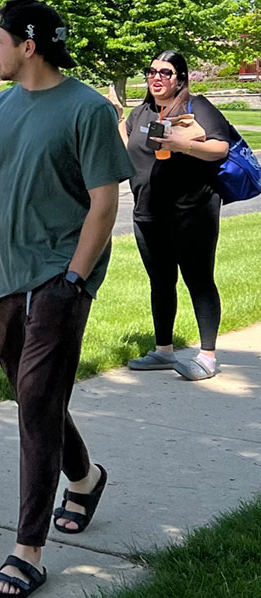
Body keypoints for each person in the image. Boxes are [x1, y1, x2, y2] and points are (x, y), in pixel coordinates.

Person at [0, 0, 133, 598]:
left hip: (60, 278)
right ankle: (85, 477)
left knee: (37, 402)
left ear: (28, 44)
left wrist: (75, 277)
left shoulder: (89, 110)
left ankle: (28, 551)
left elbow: (104, 202)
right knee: (32, 394)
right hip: (7, 276)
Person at [107, 51, 231, 380]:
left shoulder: (196, 106)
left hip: (192, 211)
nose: (157, 78)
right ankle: (163, 351)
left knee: (199, 279)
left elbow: (221, 147)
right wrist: (119, 117)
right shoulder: (141, 112)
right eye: (151, 72)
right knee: (161, 281)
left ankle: (207, 356)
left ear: (180, 78)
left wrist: (182, 144)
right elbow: (126, 154)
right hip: (148, 213)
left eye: (166, 72)